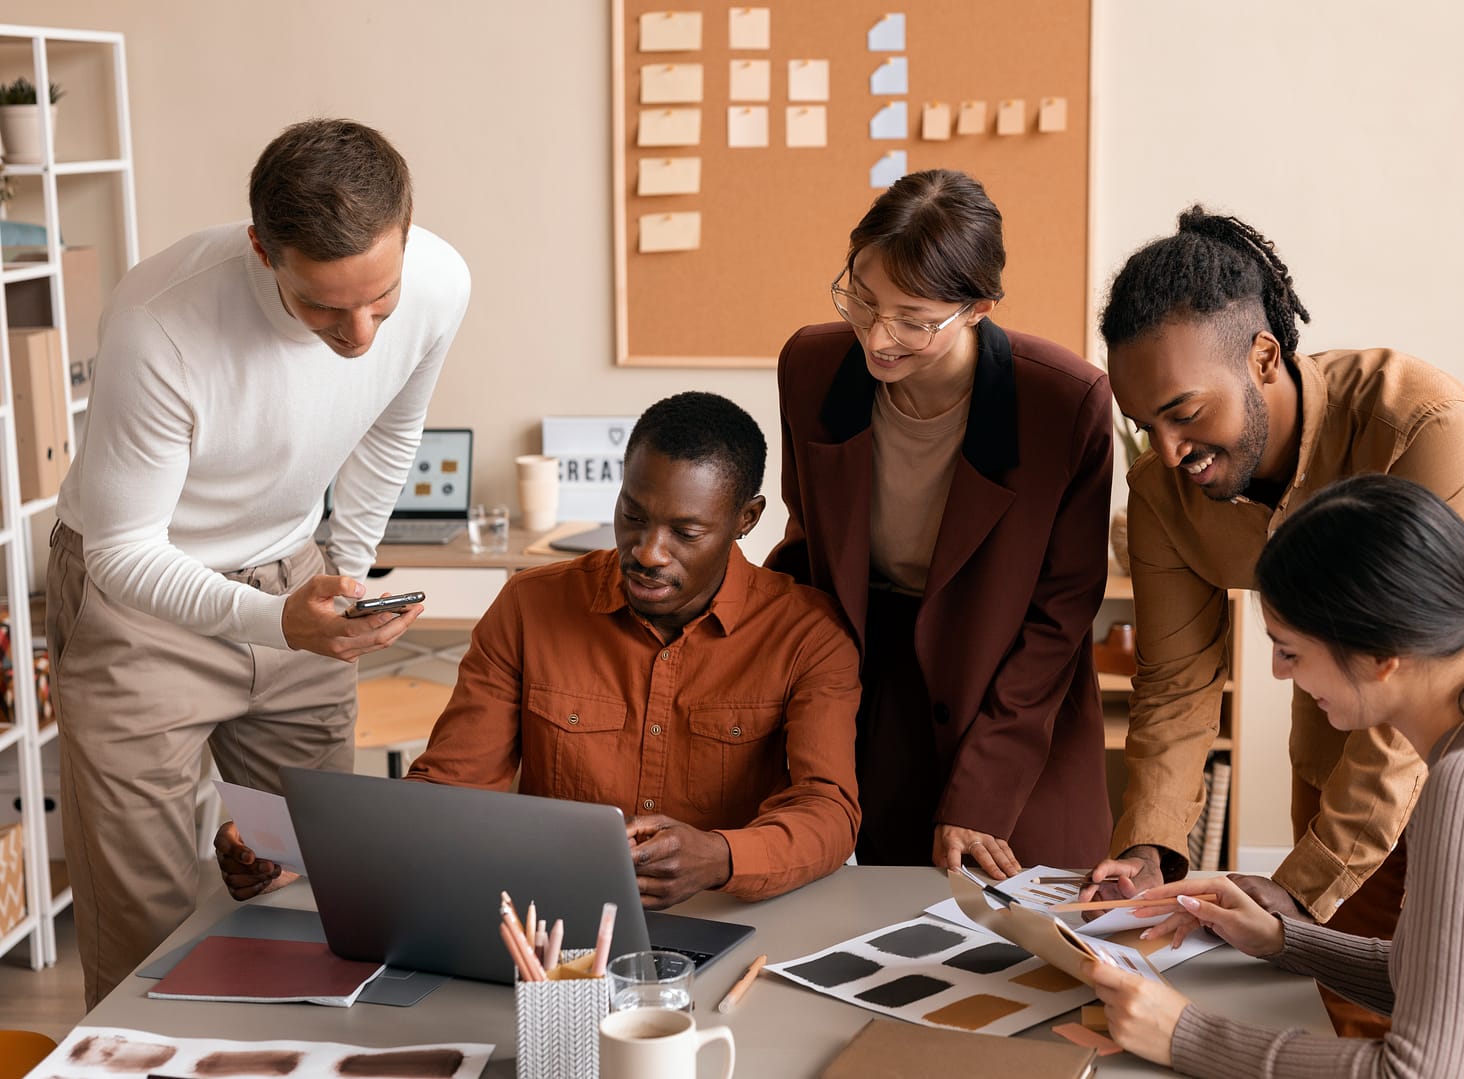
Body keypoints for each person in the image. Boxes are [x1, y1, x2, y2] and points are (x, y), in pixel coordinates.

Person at [1086, 207, 1464, 1034]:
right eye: (1147, 425)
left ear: (1263, 358)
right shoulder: (1162, 490)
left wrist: (1300, 886)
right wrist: (1148, 847)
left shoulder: (1421, 424)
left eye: (1184, 411)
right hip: (1349, 722)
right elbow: (1176, 680)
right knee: (1349, 1007)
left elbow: (1423, 657)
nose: (1169, 450)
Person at [49, 118, 471, 1005]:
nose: (361, 333)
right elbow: (123, 549)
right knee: (147, 927)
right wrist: (273, 621)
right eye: (323, 307)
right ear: (261, 250)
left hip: (293, 571)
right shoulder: (160, 321)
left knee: (316, 889)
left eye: (380, 298)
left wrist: (344, 575)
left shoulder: (439, 282)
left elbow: (390, 429)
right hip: (139, 604)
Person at [218, 392, 861, 908]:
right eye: (633, 515)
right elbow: (451, 787)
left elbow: (828, 810)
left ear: (746, 519)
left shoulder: (806, 633)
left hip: (735, 915)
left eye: (686, 532)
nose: (647, 552)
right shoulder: (531, 606)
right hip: (552, 927)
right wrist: (301, 852)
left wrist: (720, 857)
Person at [1081, 475, 1464, 1078]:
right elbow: (1452, 989)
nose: (1280, 673)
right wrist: (1282, 938)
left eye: (1289, 651)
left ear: (1382, 655)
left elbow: (1425, 1073)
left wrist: (1184, 1034)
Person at [767, 170, 1114, 879]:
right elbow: (806, 545)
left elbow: (1061, 613)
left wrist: (983, 791)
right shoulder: (810, 366)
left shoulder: (1064, 401)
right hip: (871, 673)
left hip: (1011, 688)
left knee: (1020, 923)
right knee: (871, 915)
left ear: (978, 307)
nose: (878, 336)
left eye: (914, 318)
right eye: (862, 299)